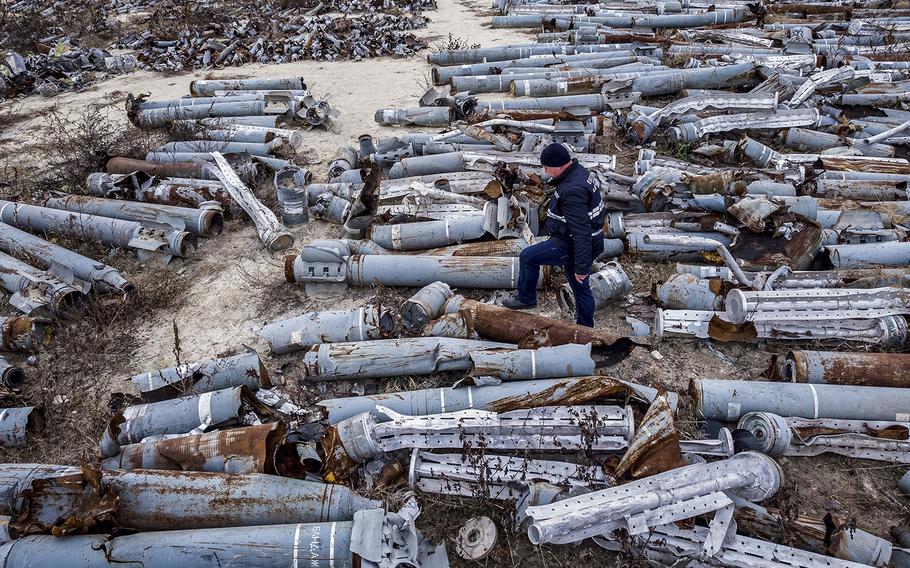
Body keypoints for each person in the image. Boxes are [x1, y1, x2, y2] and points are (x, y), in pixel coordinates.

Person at [501, 143, 606, 327]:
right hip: (578, 242)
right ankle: (585, 327)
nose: (545, 171)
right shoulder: (578, 173)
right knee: (580, 288)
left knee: (528, 256)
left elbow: (581, 232)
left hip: (571, 245)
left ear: (559, 165)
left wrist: (582, 266)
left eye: (547, 167)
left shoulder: (573, 191)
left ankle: (526, 298)